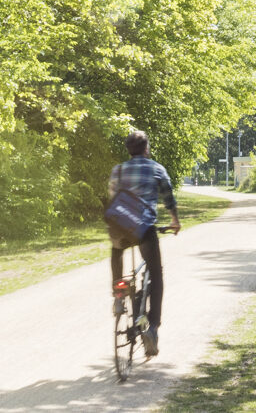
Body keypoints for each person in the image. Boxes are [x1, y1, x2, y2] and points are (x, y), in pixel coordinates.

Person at [109, 128, 180, 356]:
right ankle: (153, 328)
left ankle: (118, 293)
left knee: (117, 249)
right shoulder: (156, 169)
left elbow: (113, 196)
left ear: (128, 150)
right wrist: (174, 220)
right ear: (146, 148)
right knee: (156, 274)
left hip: (120, 226)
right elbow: (168, 196)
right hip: (145, 229)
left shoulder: (118, 170)